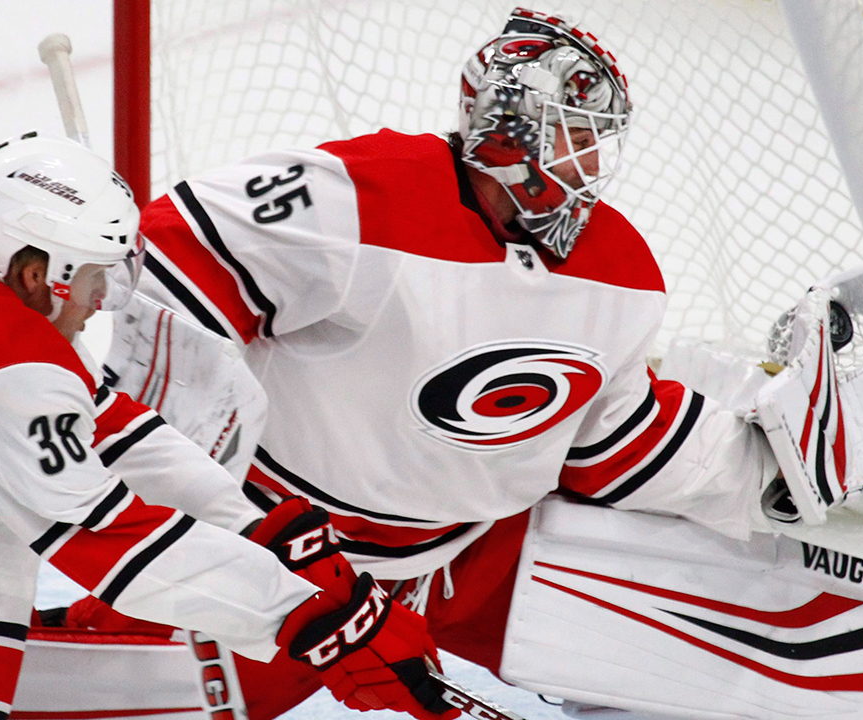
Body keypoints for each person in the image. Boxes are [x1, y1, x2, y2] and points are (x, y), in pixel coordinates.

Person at [114, 6, 784, 682]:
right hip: (273, 557)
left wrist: (766, 469)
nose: (590, 164)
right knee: (152, 696)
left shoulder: (619, 270)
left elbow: (612, 439)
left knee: (647, 664)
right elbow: (169, 262)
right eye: (572, 135)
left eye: (598, 140)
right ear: (507, 130)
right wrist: (194, 490)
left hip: (451, 566)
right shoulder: (360, 196)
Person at [0, 132, 458, 720]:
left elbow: (112, 431)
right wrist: (310, 622)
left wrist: (258, 531)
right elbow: (114, 544)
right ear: (38, 272)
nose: (99, 300)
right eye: (95, 275)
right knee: (24, 507)